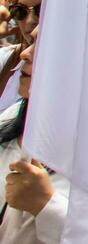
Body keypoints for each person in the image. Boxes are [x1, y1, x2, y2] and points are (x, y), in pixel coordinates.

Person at [0, 34, 68, 243]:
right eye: (30, 43)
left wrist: (46, 205)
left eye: (45, 45)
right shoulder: (12, 118)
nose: (25, 54)